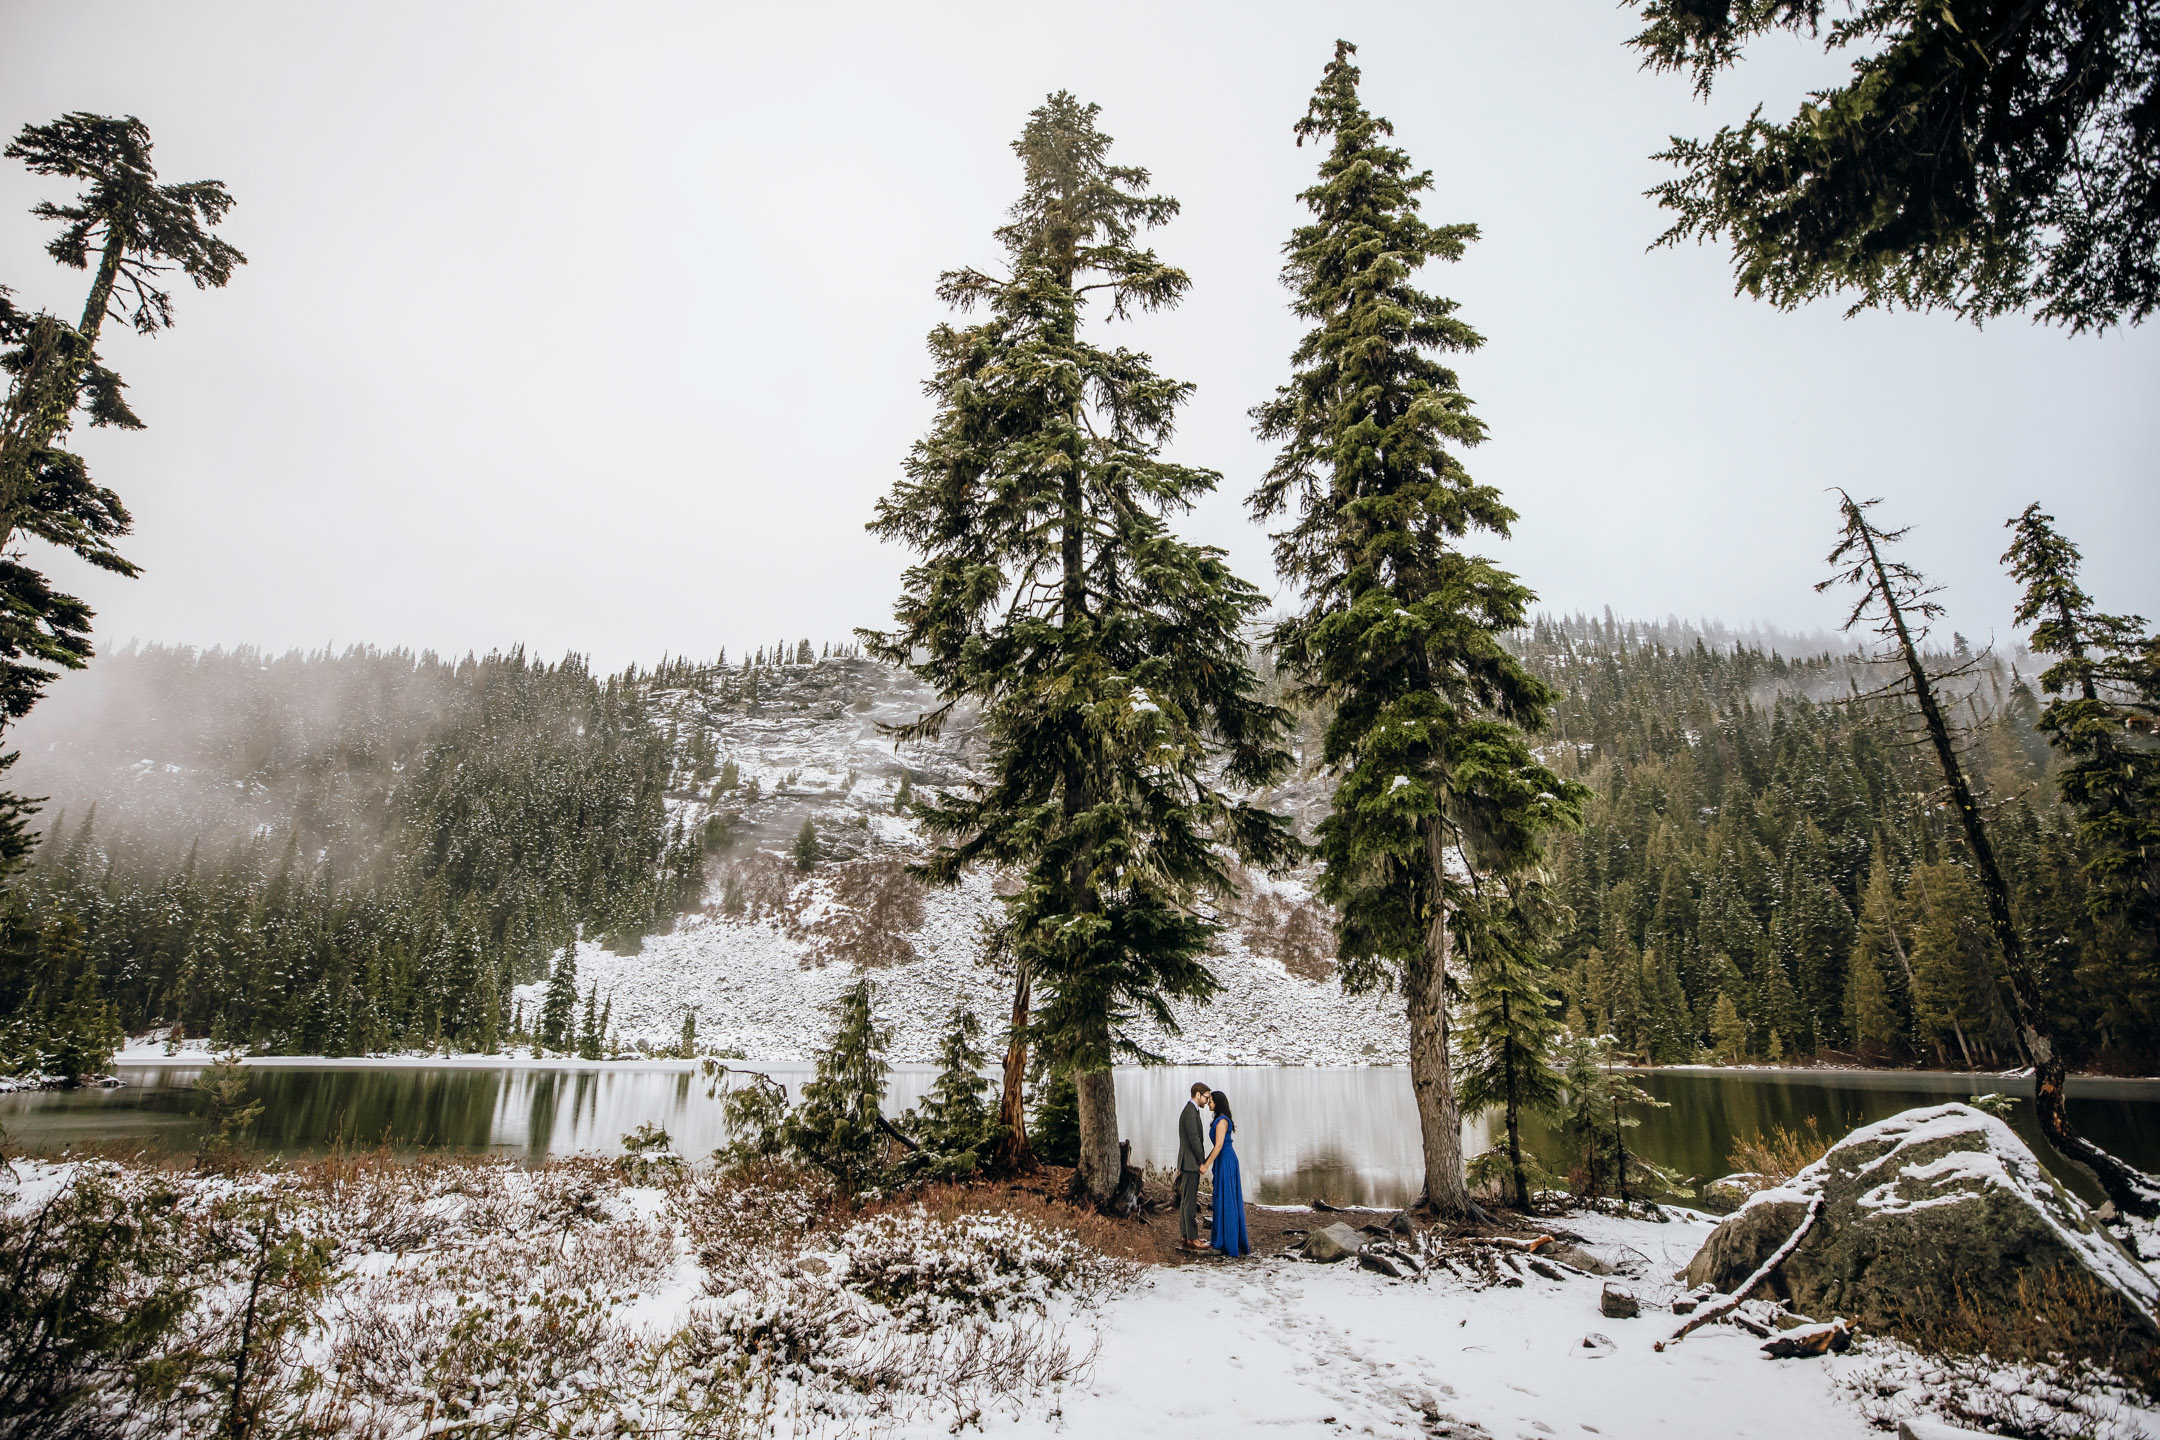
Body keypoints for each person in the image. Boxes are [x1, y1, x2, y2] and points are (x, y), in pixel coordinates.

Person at [1207, 1088, 1249, 1257]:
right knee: (1222, 1198)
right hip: (1223, 1159)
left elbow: (1218, 1146)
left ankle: (1229, 1242)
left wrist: (1205, 1164)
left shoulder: (1222, 1121)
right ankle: (1223, 1238)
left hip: (1226, 1160)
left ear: (1217, 1102)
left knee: (1227, 1199)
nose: (1208, 1103)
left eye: (1210, 1100)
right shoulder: (1219, 1120)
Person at [1176, 1079, 1212, 1253]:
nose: (1207, 1101)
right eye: (1206, 1097)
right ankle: (1193, 1238)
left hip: (1187, 1161)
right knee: (1189, 1202)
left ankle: (1185, 1236)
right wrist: (1202, 1161)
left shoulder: (1191, 1110)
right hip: (1190, 1163)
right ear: (1197, 1095)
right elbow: (1194, 1139)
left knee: (1185, 1200)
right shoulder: (1190, 1112)